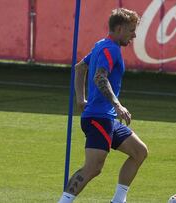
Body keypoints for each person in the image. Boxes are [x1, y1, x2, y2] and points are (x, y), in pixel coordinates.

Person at [58, 8, 148, 203]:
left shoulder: (102, 44)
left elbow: (80, 67)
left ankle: (118, 200)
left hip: (106, 117)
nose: (134, 35)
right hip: (99, 117)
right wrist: (117, 104)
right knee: (93, 168)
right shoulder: (111, 49)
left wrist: (80, 100)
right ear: (119, 28)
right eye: (131, 30)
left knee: (139, 152)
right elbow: (100, 76)